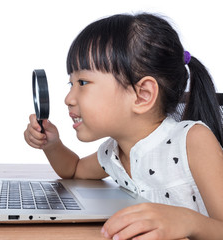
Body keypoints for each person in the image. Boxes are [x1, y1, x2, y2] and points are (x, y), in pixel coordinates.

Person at [24, 13, 223, 239]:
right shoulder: (113, 153)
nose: (68, 98)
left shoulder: (192, 141)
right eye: (71, 83)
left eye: (83, 83)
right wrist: (52, 145)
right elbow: (74, 170)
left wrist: (189, 222)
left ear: (142, 95)